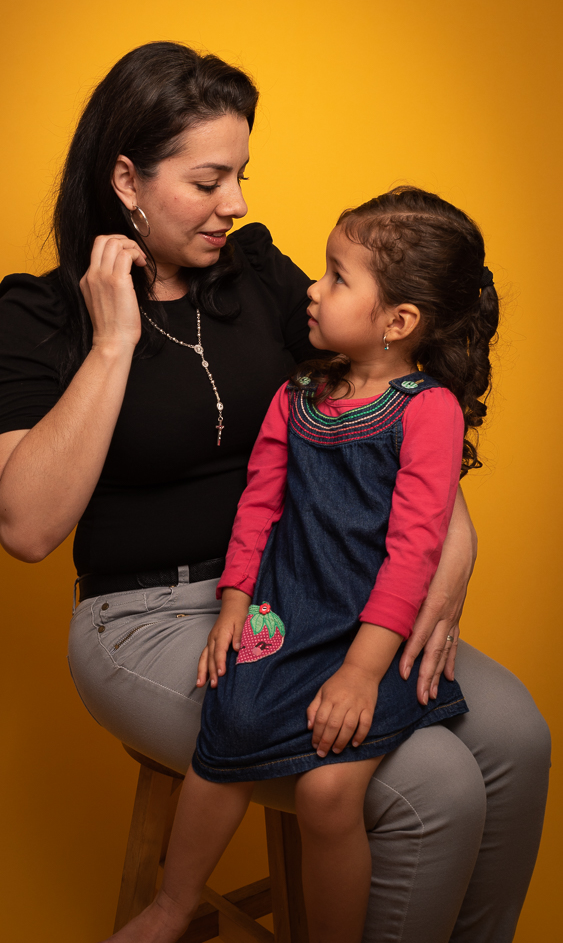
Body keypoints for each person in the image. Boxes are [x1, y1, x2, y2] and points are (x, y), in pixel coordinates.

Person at [0, 43, 550, 943]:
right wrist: (114, 341)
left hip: (318, 590)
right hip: (150, 619)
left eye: (240, 174)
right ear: (127, 181)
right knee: (431, 784)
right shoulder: (39, 315)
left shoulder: (255, 272)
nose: (236, 203)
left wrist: (454, 548)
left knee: (516, 736)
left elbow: (388, 398)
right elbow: (26, 526)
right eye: (208, 181)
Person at [111, 187, 501, 943]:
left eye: (336, 277)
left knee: (327, 795)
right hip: (285, 611)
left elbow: (414, 552)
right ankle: (171, 904)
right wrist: (234, 601)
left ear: (397, 323)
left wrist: (361, 672)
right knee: (228, 724)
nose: (313, 291)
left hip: (372, 633)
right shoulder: (297, 394)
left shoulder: (428, 411)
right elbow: (258, 503)